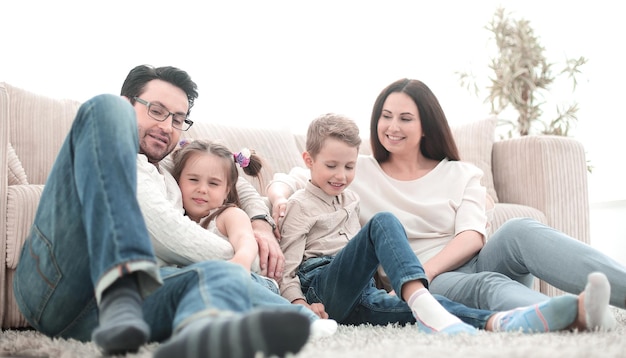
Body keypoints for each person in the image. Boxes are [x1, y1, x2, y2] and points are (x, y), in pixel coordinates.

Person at [268, 79, 625, 332]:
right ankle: (571, 314)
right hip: (421, 279)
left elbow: (473, 235)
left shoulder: (461, 172)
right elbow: (299, 177)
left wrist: (430, 268)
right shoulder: (358, 170)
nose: (392, 126)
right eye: (386, 116)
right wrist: (278, 197)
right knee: (486, 285)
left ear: (426, 126)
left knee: (520, 230)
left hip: (448, 265)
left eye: (405, 118)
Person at [13, 65, 311, 358]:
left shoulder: (169, 168)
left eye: (178, 119)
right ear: (130, 104)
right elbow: (164, 230)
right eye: (156, 110)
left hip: (117, 315)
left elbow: (227, 174)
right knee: (104, 107)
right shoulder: (111, 146)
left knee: (216, 277)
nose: (167, 126)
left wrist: (258, 222)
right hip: (59, 285)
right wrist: (242, 258)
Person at [168, 138, 338, 336]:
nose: (202, 189)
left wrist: (240, 261)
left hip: (253, 282)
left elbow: (245, 239)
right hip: (217, 290)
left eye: (213, 183)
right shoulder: (174, 219)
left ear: (227, 191)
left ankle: (302, 318)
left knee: (226, 281)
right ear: (177, 180)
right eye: (193, 180)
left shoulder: (227, 215)